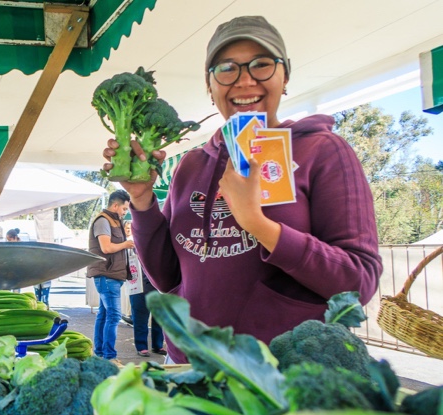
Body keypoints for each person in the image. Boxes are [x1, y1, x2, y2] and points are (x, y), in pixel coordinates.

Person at [103, 16, 382, 364]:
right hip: (189, 366)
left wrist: (258, 223)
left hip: (283, 373)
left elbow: (359, 283)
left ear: (285, 78)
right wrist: (142, 200)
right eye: (227, 69)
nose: (245, 80)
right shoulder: (191, 165)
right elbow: (169, 278)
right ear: (210, 86)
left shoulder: (323, 151)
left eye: (262, 65)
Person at [87, 190, 135, 364]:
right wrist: (126, 243)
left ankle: (99, 354)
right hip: (107, 276)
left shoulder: (113, 221)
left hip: (110, 276)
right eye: (124, 208)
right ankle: (109, 357)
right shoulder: (103, 221)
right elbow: (106, 248)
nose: (124, 212)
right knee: (114, 316)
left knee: (104, 314)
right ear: (115, 205)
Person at [124, 220, 165, 358]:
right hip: (138, 286)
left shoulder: (160, 247)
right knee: (140, 318)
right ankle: (141, 347)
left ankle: (158, 345)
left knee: (159, 317)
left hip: (157, 287)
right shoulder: (131, 246)